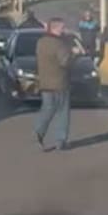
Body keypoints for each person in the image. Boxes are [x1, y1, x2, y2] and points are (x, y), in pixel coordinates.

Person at [35, 17, 74, 151]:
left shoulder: (40, 42)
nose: (64, 30)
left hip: (45, 83)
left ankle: (39, 132)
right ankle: (60, 141)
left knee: (47, 109)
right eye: (62, 28)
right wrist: (73, 54)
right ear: (56, 28)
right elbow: (65, 62)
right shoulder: (60, 44)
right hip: (60, 83)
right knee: (62, 113)